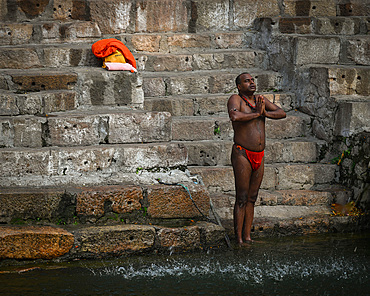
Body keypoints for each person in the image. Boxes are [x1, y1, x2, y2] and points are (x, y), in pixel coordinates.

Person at [227, 72, 286, 245]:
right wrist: (256, 114)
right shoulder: (235, 99)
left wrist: (264, 113)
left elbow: (282, 113)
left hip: (259, 154)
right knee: (242, 197)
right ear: (239, 86)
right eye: (247, 81)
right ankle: (238, 239)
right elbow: (235, 116)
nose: (251, 83)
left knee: (252, 197)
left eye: (252, 80)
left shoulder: (260, 99)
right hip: (242, 153)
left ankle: (248, 237)